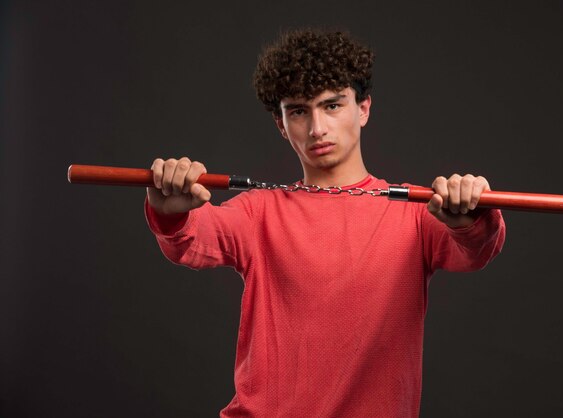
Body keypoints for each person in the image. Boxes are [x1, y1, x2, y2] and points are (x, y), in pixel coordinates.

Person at [145, 29, 505, 417]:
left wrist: (469, 216)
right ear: (281, 124)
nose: (317, 128)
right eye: (299, 111)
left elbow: (474, 249)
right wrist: (169, 208)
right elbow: (193, 237)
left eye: (332, 106)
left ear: (363, 108)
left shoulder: (416, 212)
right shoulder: (257, 212)